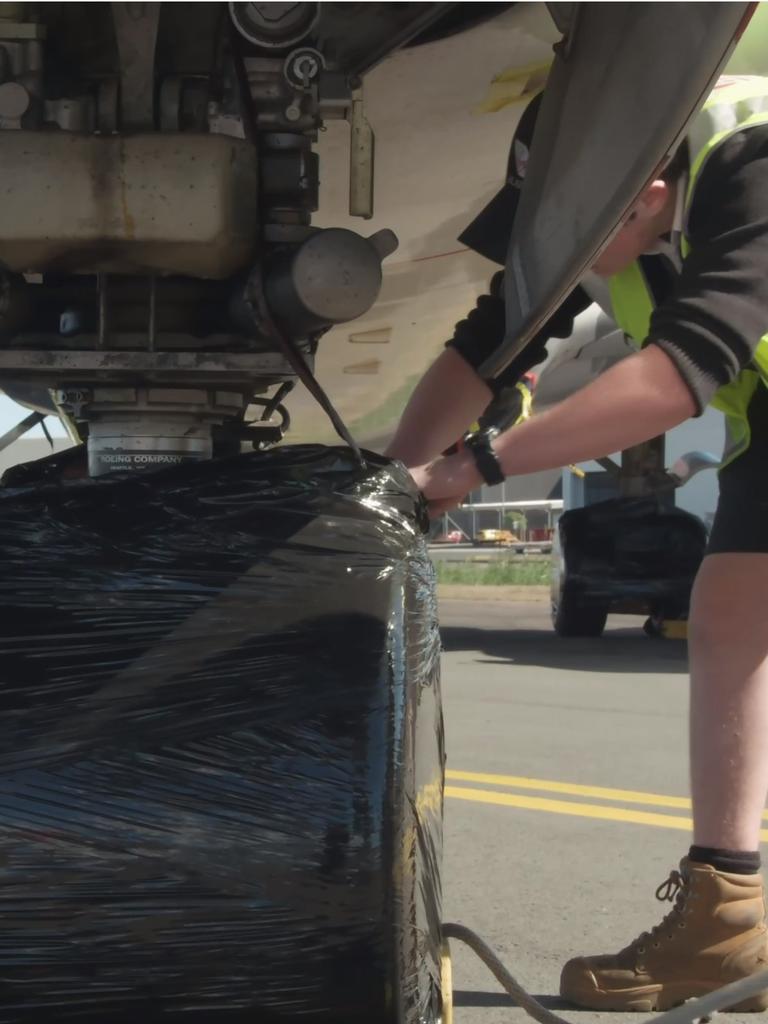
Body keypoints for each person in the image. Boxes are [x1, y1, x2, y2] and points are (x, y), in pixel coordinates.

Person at [386, 76, 768, 1011]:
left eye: (569, 228)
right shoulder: (623, 204)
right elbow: (493, 345)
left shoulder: (754, 160)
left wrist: (470, 469)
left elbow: (683, 372)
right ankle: (729, 917)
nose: (557, 255)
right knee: (731, 616)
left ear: (639, 196)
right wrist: (391, 481)